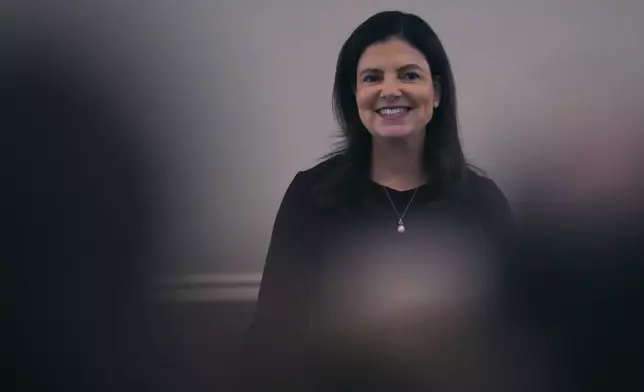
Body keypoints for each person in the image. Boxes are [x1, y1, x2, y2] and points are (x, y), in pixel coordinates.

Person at [241, 10, 524, 392]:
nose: (390, 90)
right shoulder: (311, 195)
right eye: (372, 78)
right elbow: (271, 336)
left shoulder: (481, 202)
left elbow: (519, 338)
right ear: (354, 95)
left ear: (436, 93)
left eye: (409, 75)